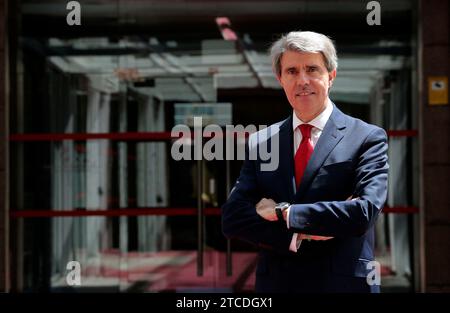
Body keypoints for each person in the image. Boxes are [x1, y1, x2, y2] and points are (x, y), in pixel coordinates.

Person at [221, 31, 388, 293]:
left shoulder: (366, 138)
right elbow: (233, 219)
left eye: (312, 69)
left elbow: (362, 214)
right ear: (280, 79)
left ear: (330, 76)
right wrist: (296, 234)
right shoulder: (262, 143)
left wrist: (283, 213)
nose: (303, 80)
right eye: (292, 71)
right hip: (278, 285)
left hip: (344, 285)